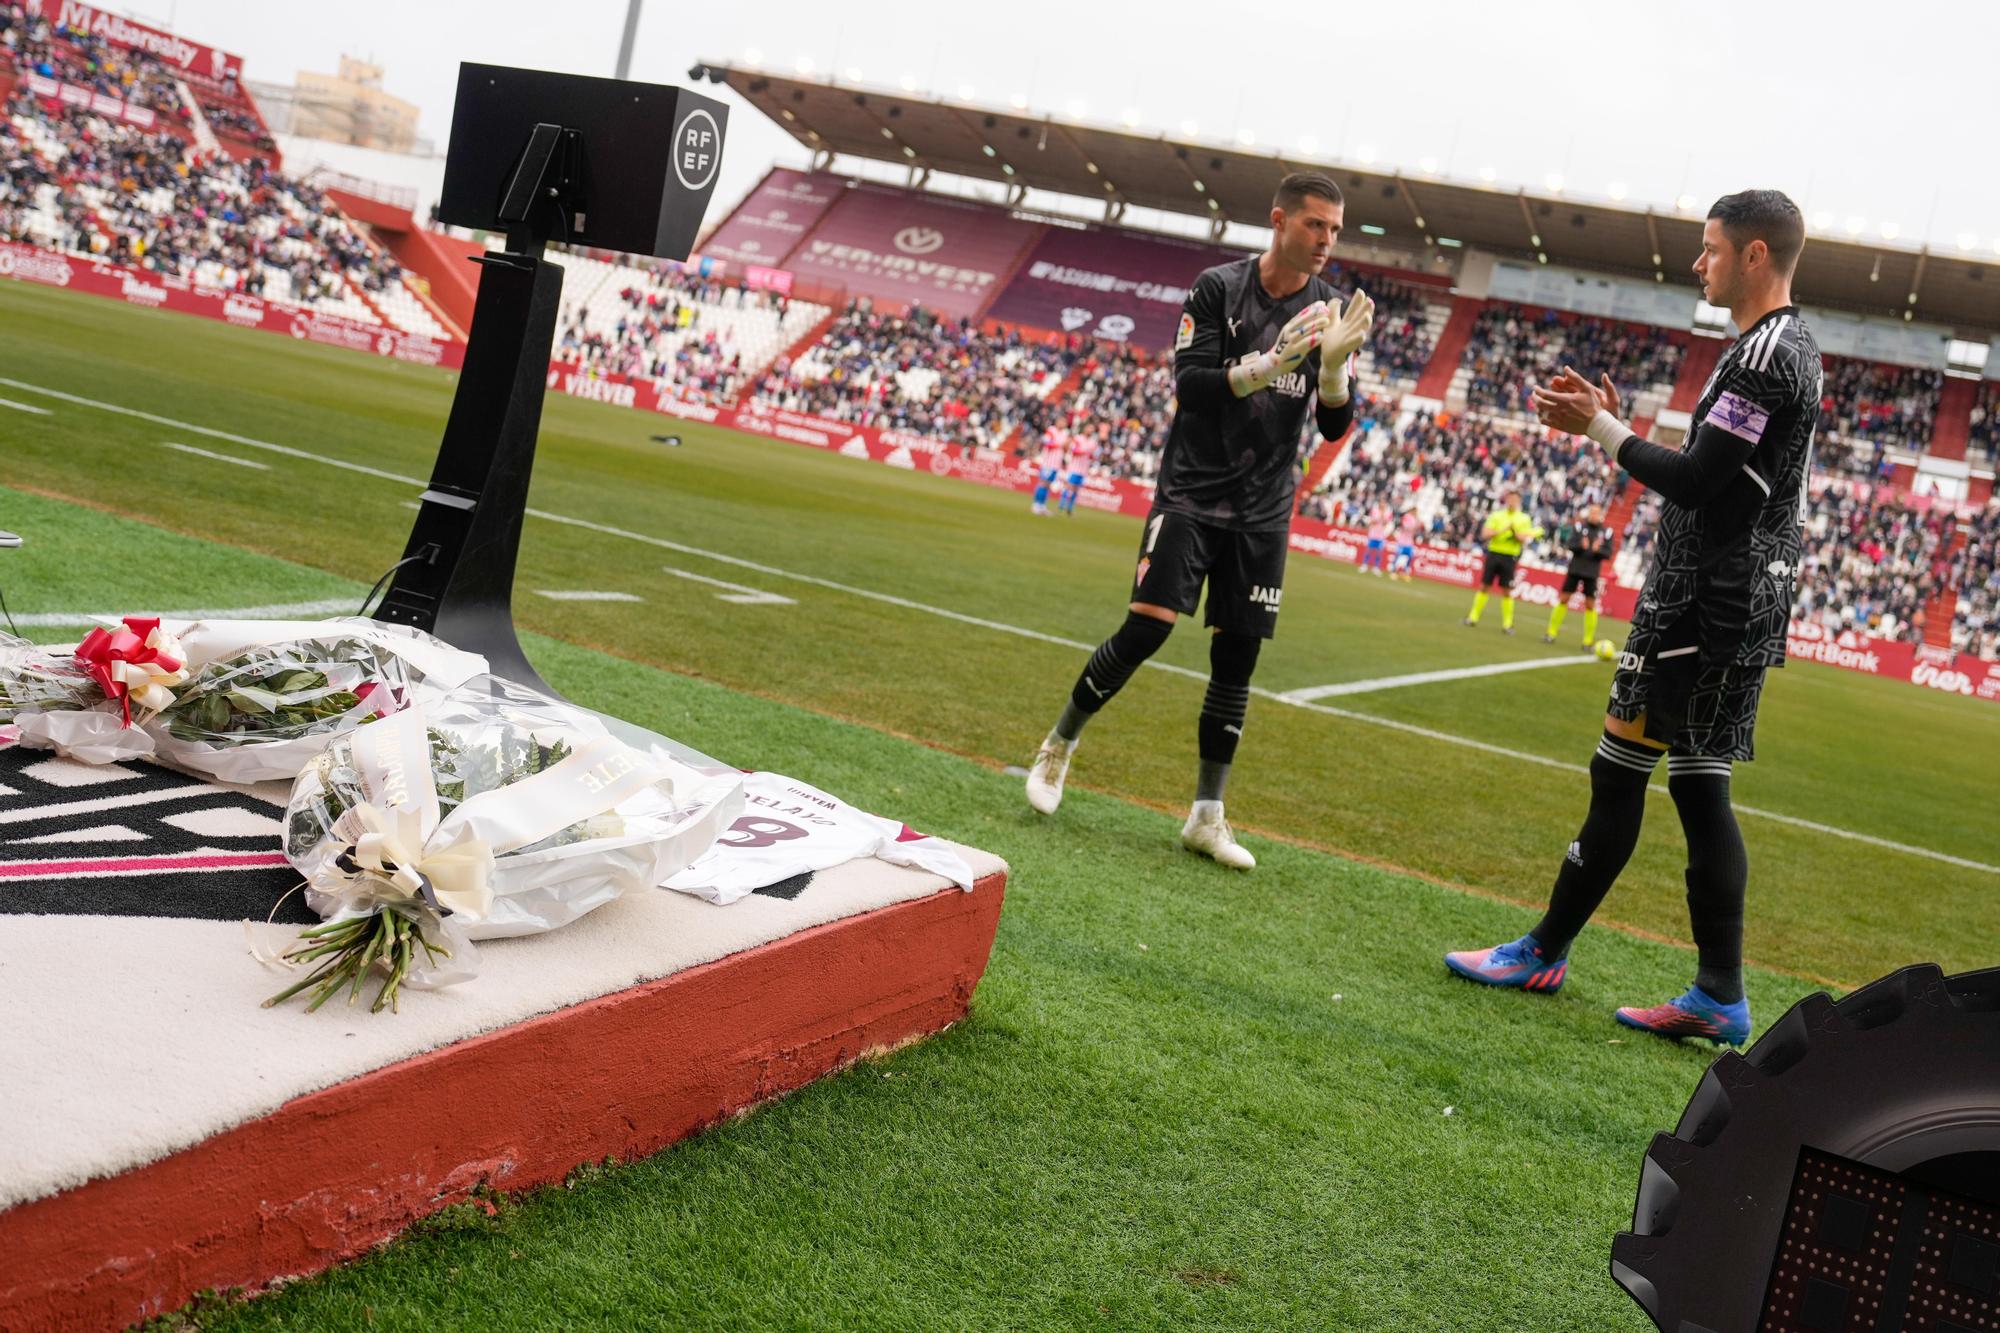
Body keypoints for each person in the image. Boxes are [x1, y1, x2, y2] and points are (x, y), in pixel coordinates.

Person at [1445, 190, 1822, 1045]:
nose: (1700, 262)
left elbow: (1695, 482)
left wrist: (1602, 428)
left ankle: (1544, 948)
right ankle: (1719, 992)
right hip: (1737, 596)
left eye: (1712, 248)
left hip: (1705, 600)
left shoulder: (1767, 354)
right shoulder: (1783, 346)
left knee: (1622, 772)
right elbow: (1715, 468)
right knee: (1698, 787)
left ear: (1756, 255)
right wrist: (1623, 426)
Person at [1022, 172, 1374, 868]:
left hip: (1265, 509)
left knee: (1236, 658)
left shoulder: (1332, 306)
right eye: (1316, 226)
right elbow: (1190, 386)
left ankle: (1206, 816)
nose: (1328, 241)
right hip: (1192, 491)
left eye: (1336, 230)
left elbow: (1333, 426)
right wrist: (1272, 362)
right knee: (1147, 626)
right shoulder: (1218, 288)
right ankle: (1059, 744)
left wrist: (1333, 375)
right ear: (1279, 221)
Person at [1463, 489, 1541, 633]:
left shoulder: (1524, 518)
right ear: (1506, 500)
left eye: (1515, 500)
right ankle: (1473, 617)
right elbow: (1485, 534)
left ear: (1519, 502)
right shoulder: (1497, 515)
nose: (1512, 502)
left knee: (1507, 590)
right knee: (1484, 586)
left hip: (1510, 556)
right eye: (1510, 499)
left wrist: (1514, 532)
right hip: (1494, 553)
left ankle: (1507, 624)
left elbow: (1524, 538)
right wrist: (1502, 531)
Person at [1546, 503, 1615, 646]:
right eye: (1592, 512)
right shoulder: (1579, 527)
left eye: (1597, 513)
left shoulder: (1607, 532)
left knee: (1590, 605)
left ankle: (1587, 641)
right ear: (1589, 514)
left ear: (1601, 515)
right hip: (1575, 569)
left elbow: (1608, 553)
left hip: (1591, 572)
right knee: (1564, 599)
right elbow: (1570, 545)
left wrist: (1598, 550)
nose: (1594, 515)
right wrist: (1580, 546)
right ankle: (1551, 633)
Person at [1060, 427, 1099, 515]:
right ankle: (1062, 504)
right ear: (1085, 429)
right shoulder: (1078, 438)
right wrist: (1084, 452)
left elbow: (1093, 456)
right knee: (1069, 486)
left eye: (1092, 430)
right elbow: (1073, 450)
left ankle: (1069, 507)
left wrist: (1091, 456)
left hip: (1083, 469)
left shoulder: (1093, 442)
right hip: (1074, 467)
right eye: (1089, 429)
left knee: (1076, 489)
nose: (1090, 431)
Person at [1030, 424, 1067, 516]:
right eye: (1061, 421)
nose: (1063, 423)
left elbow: (1065, 448)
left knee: (1047, 486)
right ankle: (1036, 505)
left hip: (1056, 465)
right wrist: (1060, 444)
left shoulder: (1064, 434)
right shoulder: (1051, 430)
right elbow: (1047, 443)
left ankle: (1042, 506)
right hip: (1048, 464)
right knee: (1042, 483)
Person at [1393, 507, 1421, 582]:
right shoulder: (1406, 516)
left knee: (1410, 557)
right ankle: (1394, 572)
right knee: (1398, 555)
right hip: (1402, 541)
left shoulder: (1415, 519)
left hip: (1409, 542)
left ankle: (1405, 572)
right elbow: (1406, 527)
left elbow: (1418, 527)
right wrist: (1413, 526)